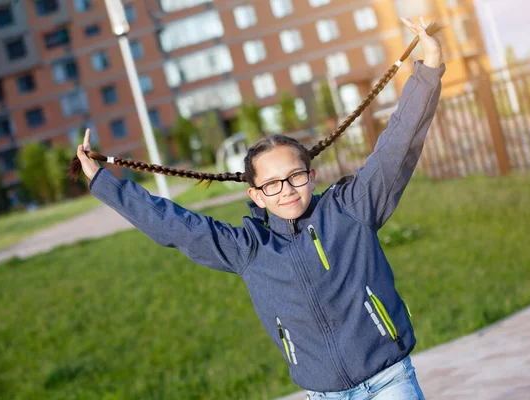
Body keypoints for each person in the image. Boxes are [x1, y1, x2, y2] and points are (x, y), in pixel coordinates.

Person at [76, 17, 444, 400]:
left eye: (294, 176)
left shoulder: (351, 210)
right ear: (257, 195)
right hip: (324, 393)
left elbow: (396, 148)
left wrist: (429, 69)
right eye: (271, 184)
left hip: (389, 379)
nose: (286, 191)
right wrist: (103, 182)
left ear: (312, 175)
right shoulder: (249, 248)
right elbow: (176, 226)